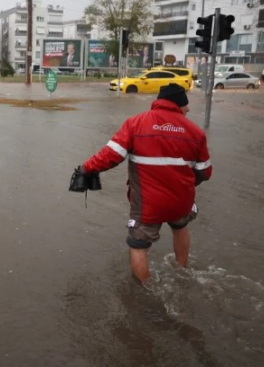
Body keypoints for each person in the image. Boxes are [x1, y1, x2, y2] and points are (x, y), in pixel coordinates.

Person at [77, 84, 212, 284]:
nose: (188, 110)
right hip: (182, 200)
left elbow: (110, 156)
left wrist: (86, 168)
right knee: (181, 227)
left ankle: (144, 292)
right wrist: (186, 184)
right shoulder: (196, 132)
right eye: (186, 106)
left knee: (138, 245)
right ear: (178, 105)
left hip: (148, 205)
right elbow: (205, 172)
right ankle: (182, 271)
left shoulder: (135, 124)